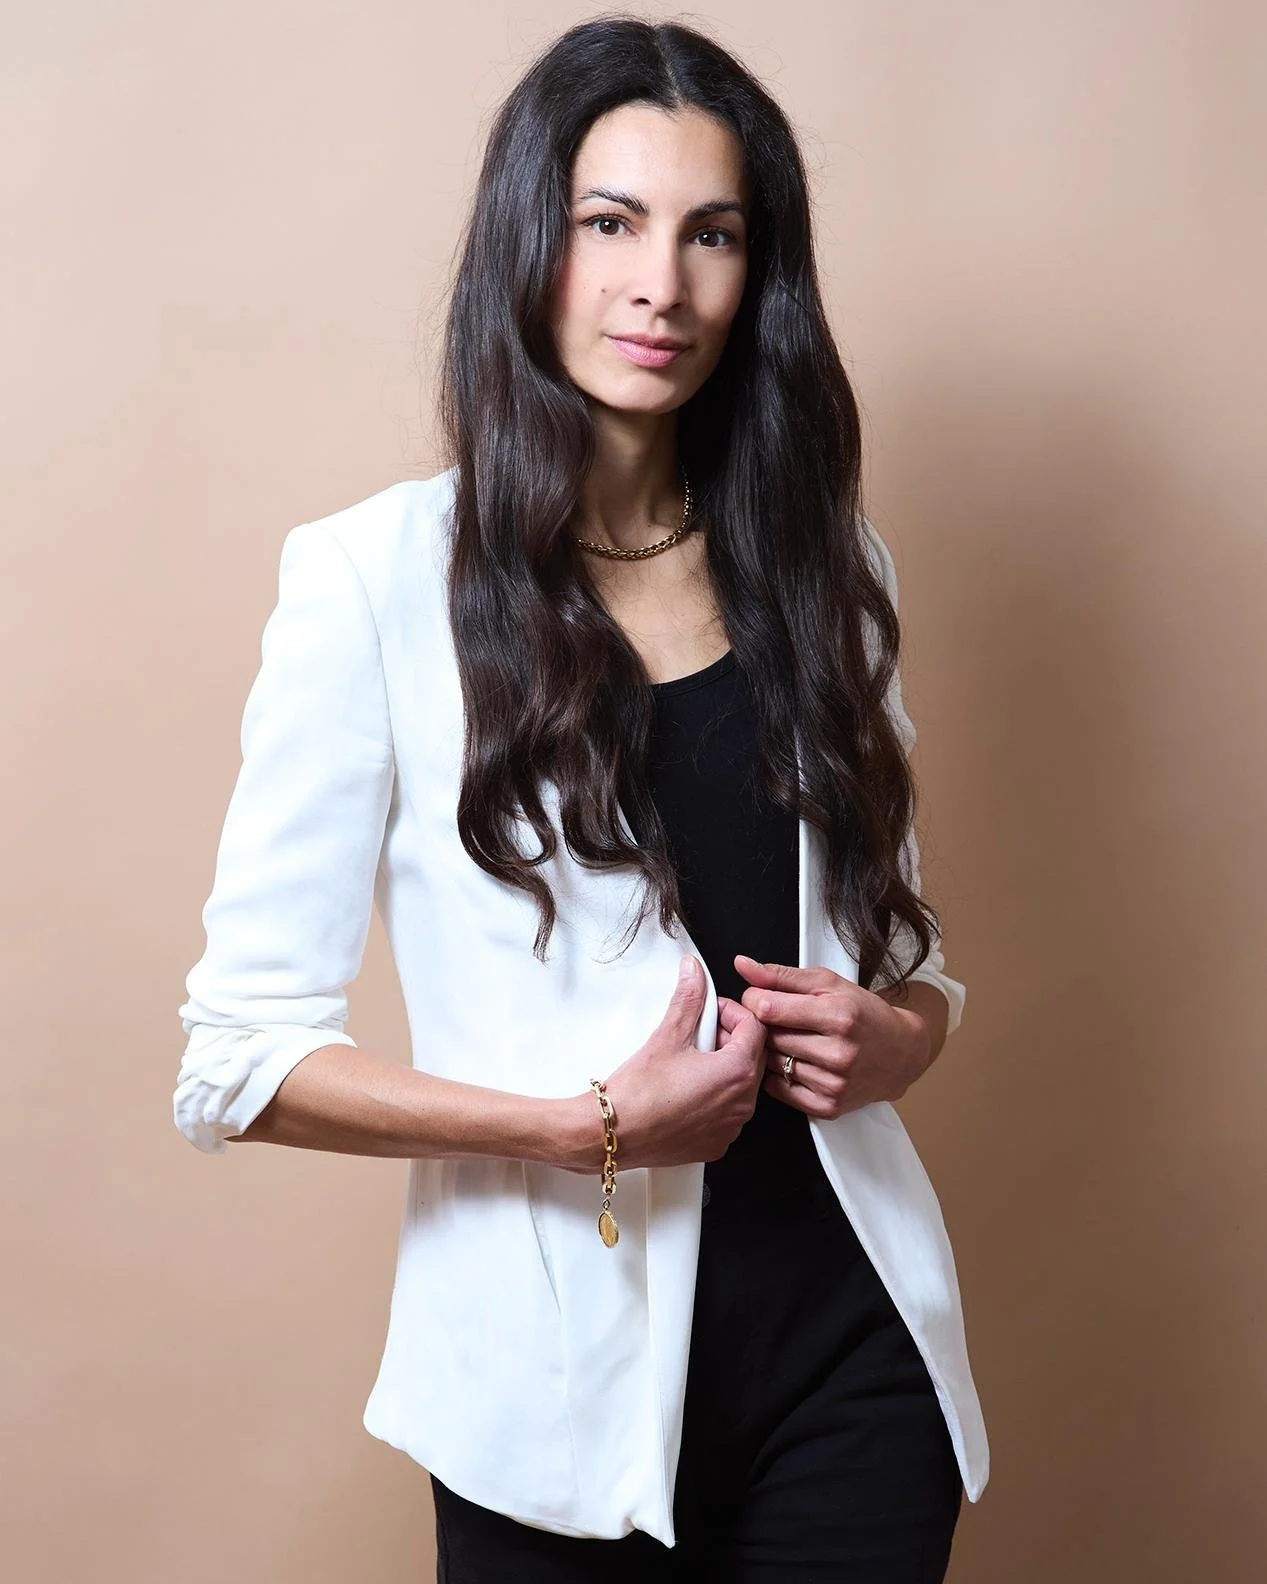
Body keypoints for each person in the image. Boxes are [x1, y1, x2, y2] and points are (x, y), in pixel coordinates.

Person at [173, 15, 988, 1580]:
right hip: (546, 1402)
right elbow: (239, 1061)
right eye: (609, 222)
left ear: (758, 275)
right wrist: (580, 1127)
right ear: (528, 243)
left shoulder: (827, 570)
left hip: (854, 1352)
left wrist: (904, 1035)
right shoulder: (374, 584)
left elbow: (906, 960)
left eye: (711, 234)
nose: (658, 284)